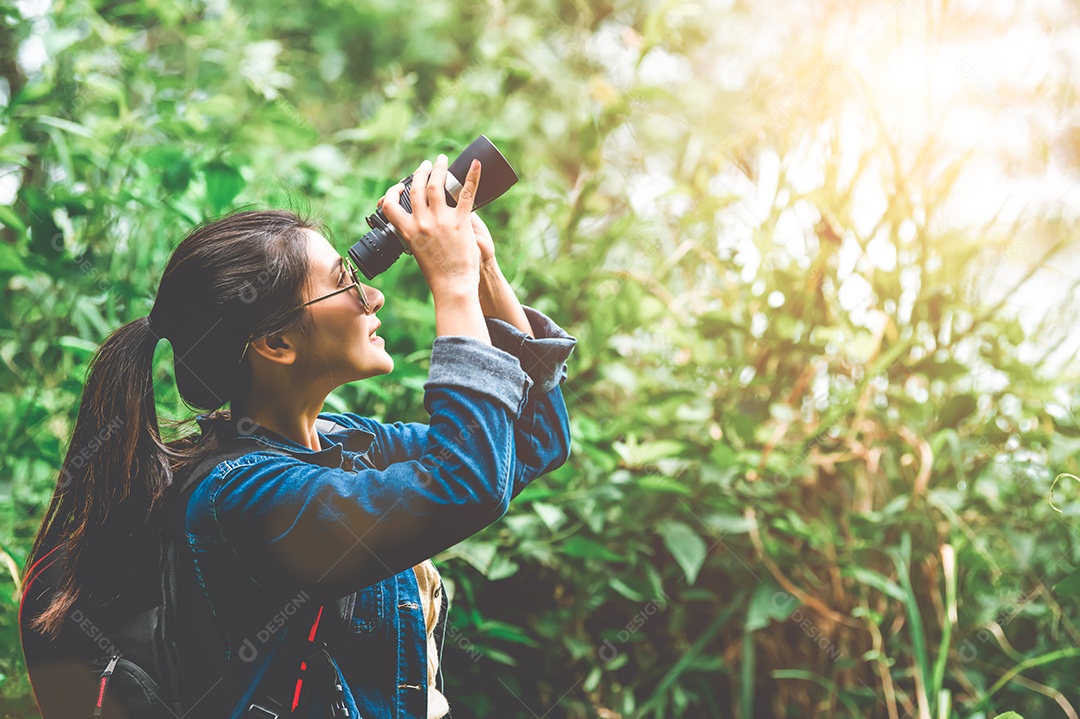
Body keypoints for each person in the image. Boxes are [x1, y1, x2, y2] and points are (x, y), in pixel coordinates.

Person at [19, 154, 576, 717]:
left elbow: (531, 441)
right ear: (276, 343)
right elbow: (466, 485)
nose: (373, 297)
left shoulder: (342, 445)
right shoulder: (241, 498)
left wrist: (481, 270)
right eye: (344, 283)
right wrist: (450, 284)